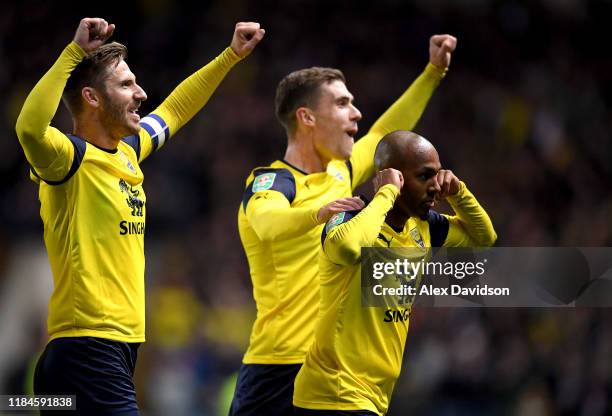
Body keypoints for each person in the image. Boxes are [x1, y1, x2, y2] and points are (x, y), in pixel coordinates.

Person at [14, 17, 264, 415]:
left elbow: (176, 109)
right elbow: (28, 128)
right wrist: (74, 52)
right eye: (126, 85)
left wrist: (229, 56)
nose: (141, 93)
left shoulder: (128, 153)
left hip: (105, 354)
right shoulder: (69, 160)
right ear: (92, 97)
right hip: (88, 350)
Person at [232, 35, 457, 415]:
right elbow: (268, 223)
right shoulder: (273, 182)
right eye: (342, 103)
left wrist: (433, 72)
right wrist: (317, 213)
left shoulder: (342, 171)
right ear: (307, 117)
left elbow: (388, 130)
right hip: (281, 366)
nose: (356, 113)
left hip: (333, 369)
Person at [292, 131, 497, 415]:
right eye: (425, 176)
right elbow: (349, 248)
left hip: (371, 397)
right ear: (394, 177)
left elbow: (484, 238)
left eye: (437, 176)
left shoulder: (423, 228)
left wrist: (460, 193)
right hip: (334, 394)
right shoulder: (351, 218)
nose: (435, 186)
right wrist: (386, 193)